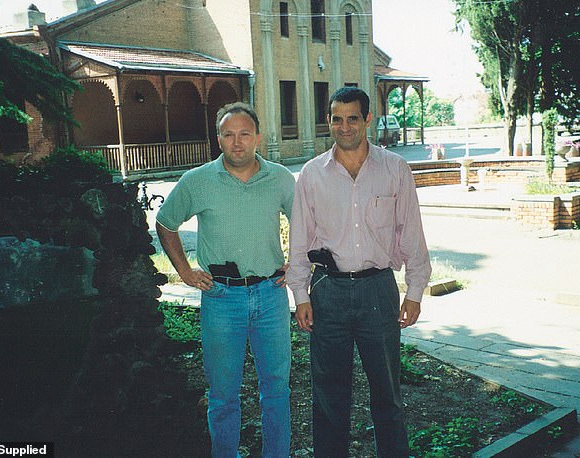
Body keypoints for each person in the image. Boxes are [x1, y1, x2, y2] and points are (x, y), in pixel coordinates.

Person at [287, 87, 431, 457]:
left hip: (377, 293)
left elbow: (410, 232)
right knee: (329, 395)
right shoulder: (312, 174)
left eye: (353, 118)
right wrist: (301, 295)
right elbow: (300, 240)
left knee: (387, 393)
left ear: (368, 119)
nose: (344, 126)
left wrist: (415, 291)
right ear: (329, 121)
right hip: (327, 293)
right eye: (337, 118)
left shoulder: (394, 169)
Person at [156, 102, 295, 458]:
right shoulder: (198, 181)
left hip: (270, 296)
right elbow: (166, 223)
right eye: (229, 135)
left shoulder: (280, 178)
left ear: (258, 138)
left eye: (244, 134)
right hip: (221, 299)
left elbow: (308, 224)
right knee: (222, 394)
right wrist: (185, 271)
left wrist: (297, 262)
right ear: (219, 139)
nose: (237, 143)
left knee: (277, 388)